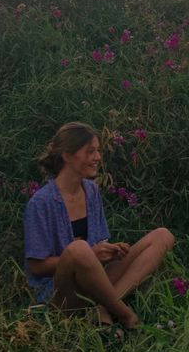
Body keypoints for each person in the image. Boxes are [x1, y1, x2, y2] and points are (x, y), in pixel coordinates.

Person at [24, 122, 175, 331]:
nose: (98, 157)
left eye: (98, 151)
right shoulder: (41, 203)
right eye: (90, 151)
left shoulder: (91, 191)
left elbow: (98, 244)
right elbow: (36, 267)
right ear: (67, 155)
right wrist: (89, 254)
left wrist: (110, 250)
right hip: (61, 292)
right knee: (79, 249)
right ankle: (128, 316)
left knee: (162, 235)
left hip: (95, 280)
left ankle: (103, 307)